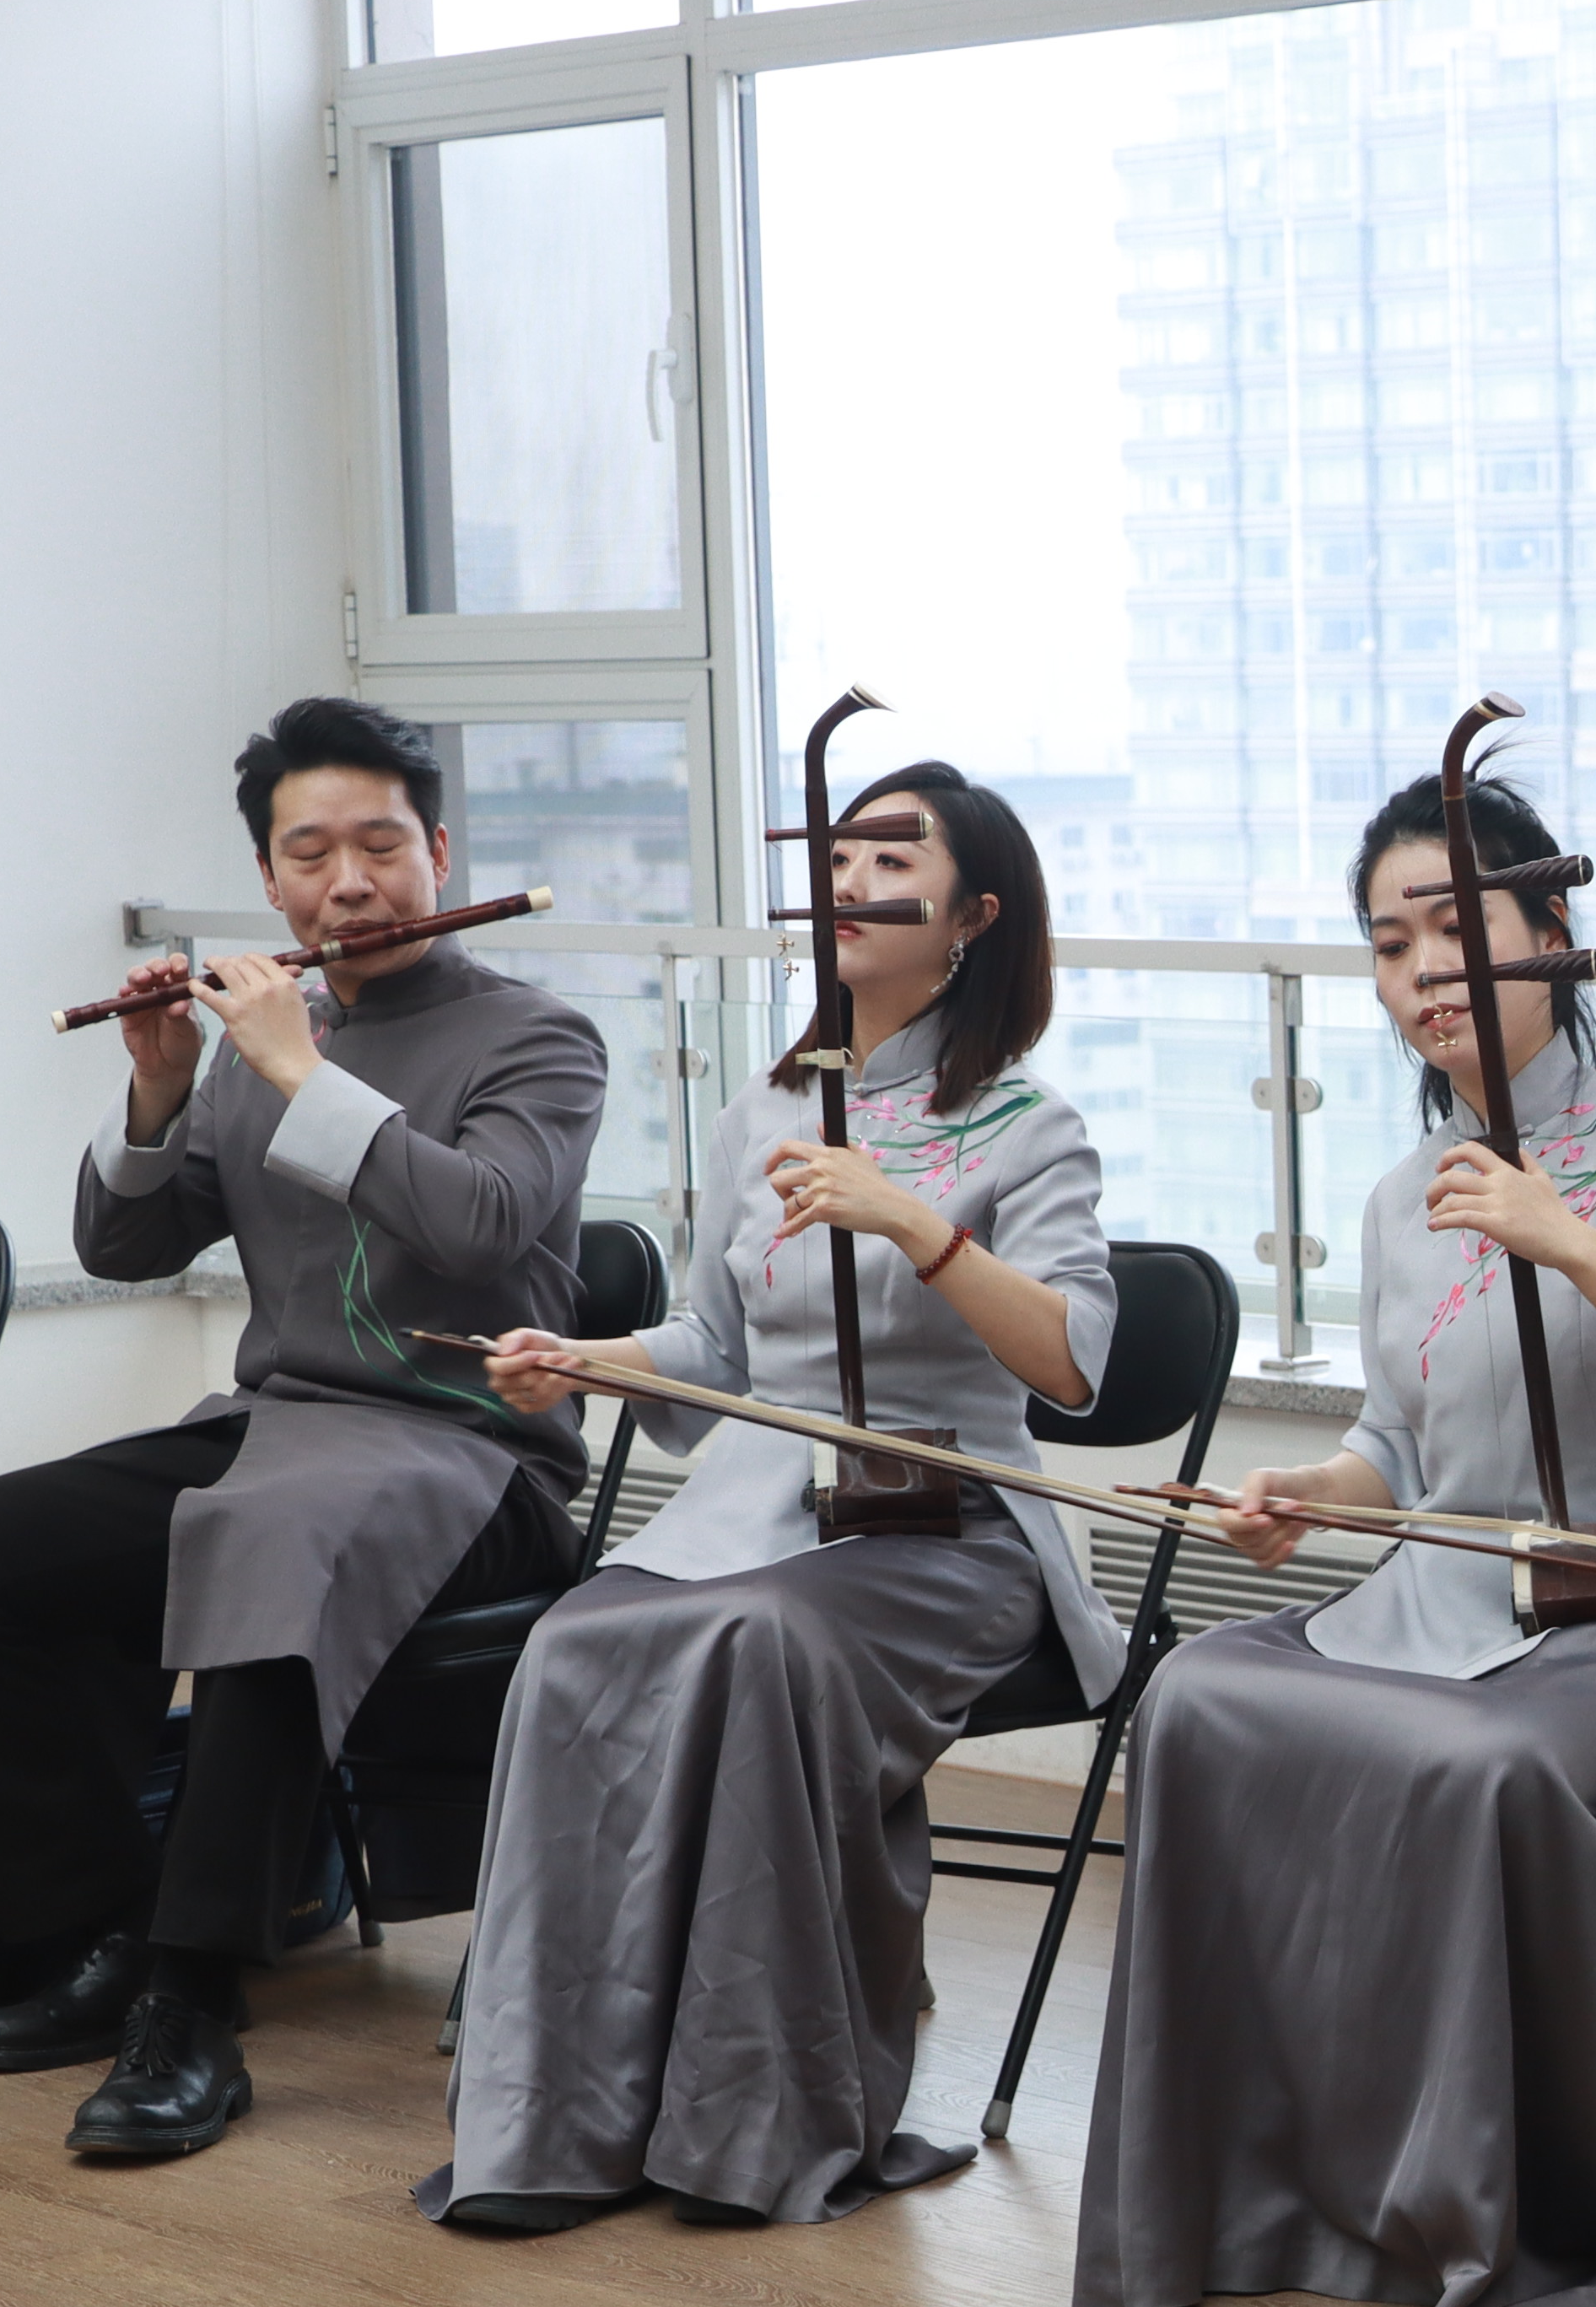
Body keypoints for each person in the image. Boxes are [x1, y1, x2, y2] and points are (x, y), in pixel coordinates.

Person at [1071, 770, 1596, 2307]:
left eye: (1454, 930)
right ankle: (1257, 2195)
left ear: (1552, 930)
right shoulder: (1405, 1197)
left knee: (1476, 1764)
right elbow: (1396, 1450)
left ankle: (1481, 2214)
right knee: (1196, 1693)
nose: (1421, 974)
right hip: (1437, 1600)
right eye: (1389, 945)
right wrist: (1309, 1498)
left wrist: (1576, 1241)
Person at [0, 694, 601, 2163]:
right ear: (270, 880)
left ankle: (194, 2004)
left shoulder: (539, 1037)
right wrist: (156, 1087)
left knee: (271, 1549)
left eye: (382, 847)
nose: (351, 885)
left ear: (441, 852)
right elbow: (128, 1248)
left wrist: (295, 1070)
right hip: (279, 1428)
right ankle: (107, 1932)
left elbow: (479, 1224)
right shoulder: (266, 1042)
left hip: (469, 1454)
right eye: (310, 855)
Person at [423, 763, 1123, 2229]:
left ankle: (749, 2122)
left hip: (947, 1525)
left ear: (976, 917)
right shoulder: (769, 1108)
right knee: (572, 1645)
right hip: (755, 1513)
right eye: (838, 856)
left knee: (760, 1647)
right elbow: (721, 1349)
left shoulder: (1028, 1126)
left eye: (893, 861)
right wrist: (591, 1361)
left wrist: (920, 1226)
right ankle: (554, 2122)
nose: (850, 884)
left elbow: (1071, 1364)